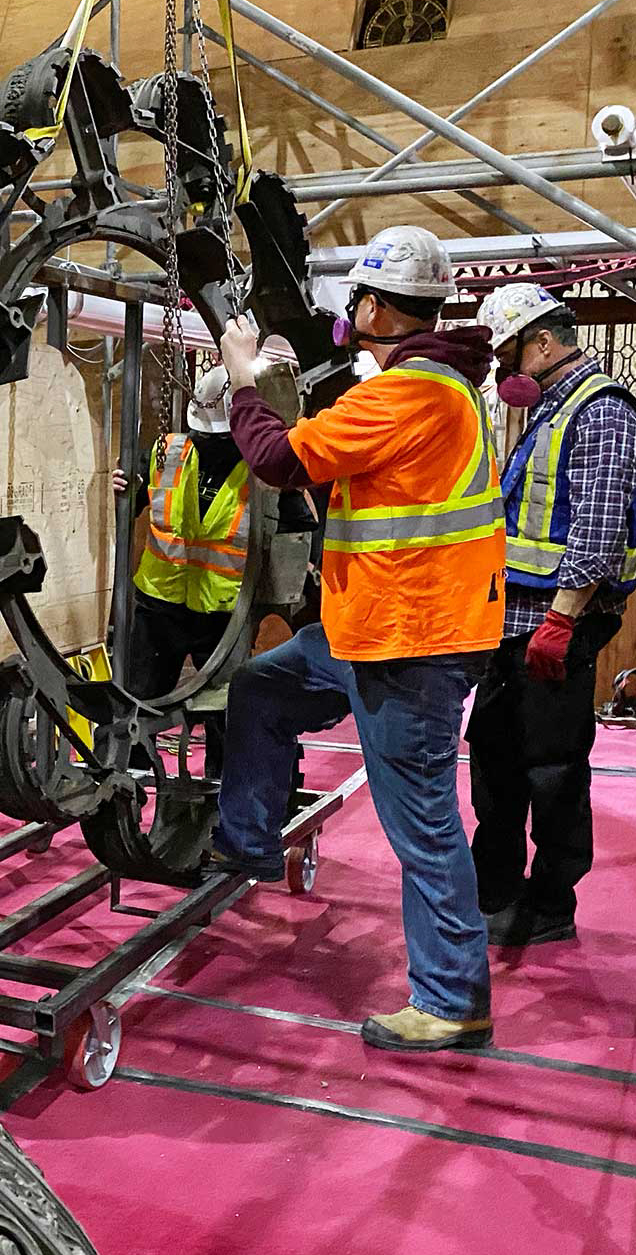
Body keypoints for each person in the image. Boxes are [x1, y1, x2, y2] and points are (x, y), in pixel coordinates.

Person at [214, 225, 506, 1053]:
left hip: (406, 644)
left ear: (374, 307)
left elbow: (276, 459)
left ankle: (452, 1000)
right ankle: (249, 843)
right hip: (367, 630)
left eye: (356, 306)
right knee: (263, 685)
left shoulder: (407, 393)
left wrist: (243, 384)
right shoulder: (441, 388)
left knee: (422, 825)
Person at [468, 282, 636, 946]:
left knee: (553, 768)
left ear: (542, 341)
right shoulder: (548, 409)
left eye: (510, 354)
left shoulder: (600, 411)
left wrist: (563, 619)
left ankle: (548, 906)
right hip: (513, 621)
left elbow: (599, 529)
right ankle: (495, 892)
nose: (505, 370)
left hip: (553, 626)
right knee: (494, 760)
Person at [111, 362, 251, 740]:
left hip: (222, 617)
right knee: (136, 708)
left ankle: (228, 791)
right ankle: (126, 784)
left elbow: (296, 526)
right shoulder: (166, 452)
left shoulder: (261, 472)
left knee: (231, 720)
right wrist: (120, 486)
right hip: (159, 607)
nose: (209, 443)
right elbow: (129, 496)